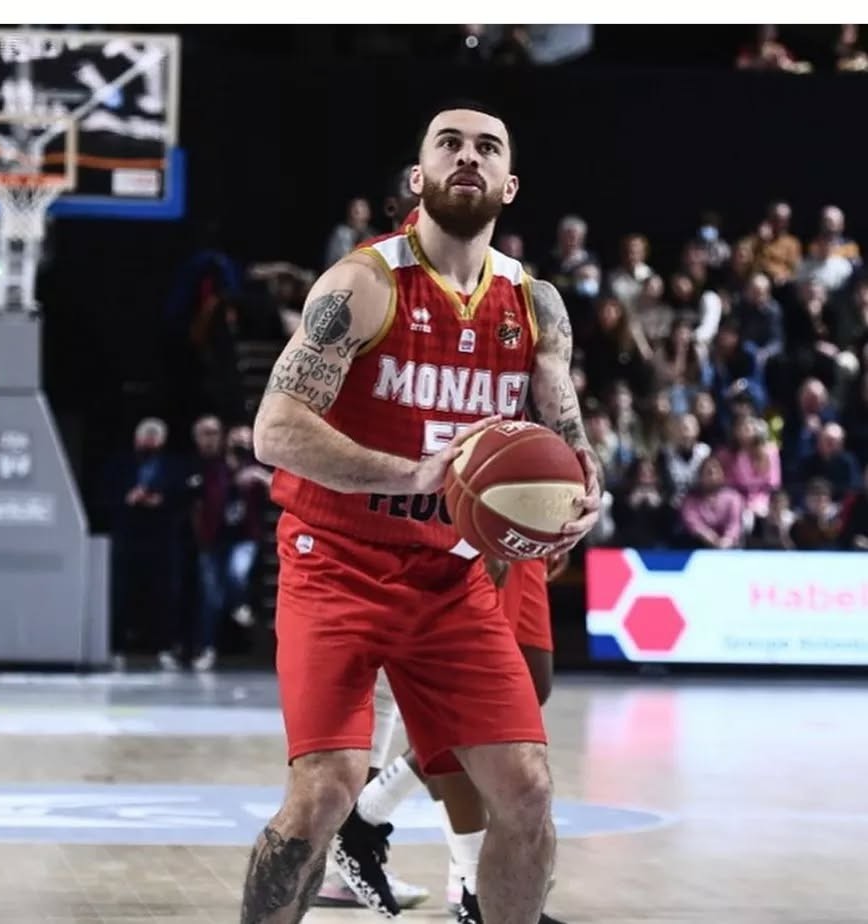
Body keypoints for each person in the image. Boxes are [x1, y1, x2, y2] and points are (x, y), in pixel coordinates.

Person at [247, 101, 601, 924]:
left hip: (449, 577)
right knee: (325, 791)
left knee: (527, 791)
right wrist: (413, 473)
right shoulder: (364, 284)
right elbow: (274, 430)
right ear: (419, 176)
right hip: (336, 562)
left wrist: (582, 490)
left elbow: (565, 427)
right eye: (449, 144)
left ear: (510, 185)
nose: (467, 156)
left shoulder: (536, 302)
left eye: (487, 148)